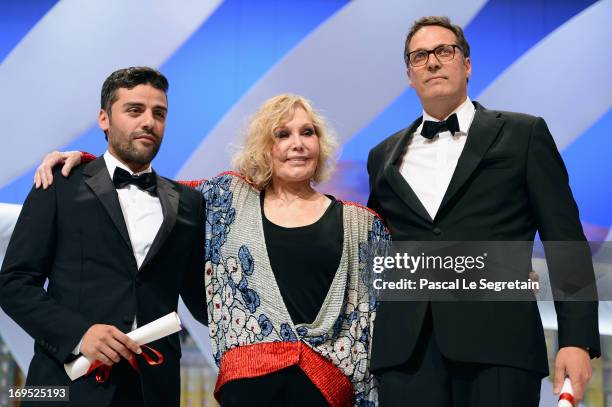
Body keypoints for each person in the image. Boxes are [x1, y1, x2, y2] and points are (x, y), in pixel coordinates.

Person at [34, 94, 389, 406]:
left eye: (307, 132)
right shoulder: (226, 199)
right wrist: (86, 161)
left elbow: (383, 323)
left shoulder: (364, 225)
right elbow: (151, 189)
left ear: (320, 143)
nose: (297, 143)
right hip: (247, 390)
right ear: (264, 147)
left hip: (327, 392)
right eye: (282, 134)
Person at [366, 16, 600, 406]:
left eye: (444, 51)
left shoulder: (524, 135)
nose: (434, 62)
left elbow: (565, 241)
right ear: (409, 74)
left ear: (467, 64)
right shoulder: (382, 156)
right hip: (406, 357)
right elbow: (375, 251)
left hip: (501, 348)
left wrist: (575, 339)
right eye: (420, 56)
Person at [0, 67, 206, 407]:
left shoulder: (189, 202)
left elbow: (202, 300)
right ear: (104, 118)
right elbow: (14, 283)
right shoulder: (60, 183)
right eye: (134, 110)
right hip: (63, 388)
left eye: (159, 113)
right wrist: (79, 335)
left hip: (153, 390)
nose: (149, 122)